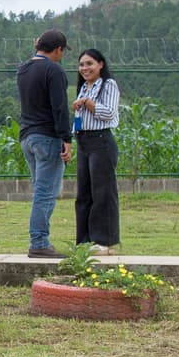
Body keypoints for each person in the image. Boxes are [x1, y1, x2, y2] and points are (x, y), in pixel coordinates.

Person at [16, 29, 75, 257]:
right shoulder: (54, 70)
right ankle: (39, 242)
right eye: (62, 51)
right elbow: (59, 107)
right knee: (45, 192)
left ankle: (39, 240)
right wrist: (67, 139)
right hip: (47, 137)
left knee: (41, 189)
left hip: (27, 136)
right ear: (58, 49)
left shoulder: (24, 69)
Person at [72, 48, 121, 254]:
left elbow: (109, 113)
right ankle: (84, 241)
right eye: (82, 64)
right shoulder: (84, 87)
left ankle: (104, 241)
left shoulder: (108, 85)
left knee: (103, 192)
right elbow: (79, 118)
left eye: (89, 63)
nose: (85, 68)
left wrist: (88, 103)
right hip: (83, 142)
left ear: (101, 64)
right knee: (84, 194)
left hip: (101, 141)